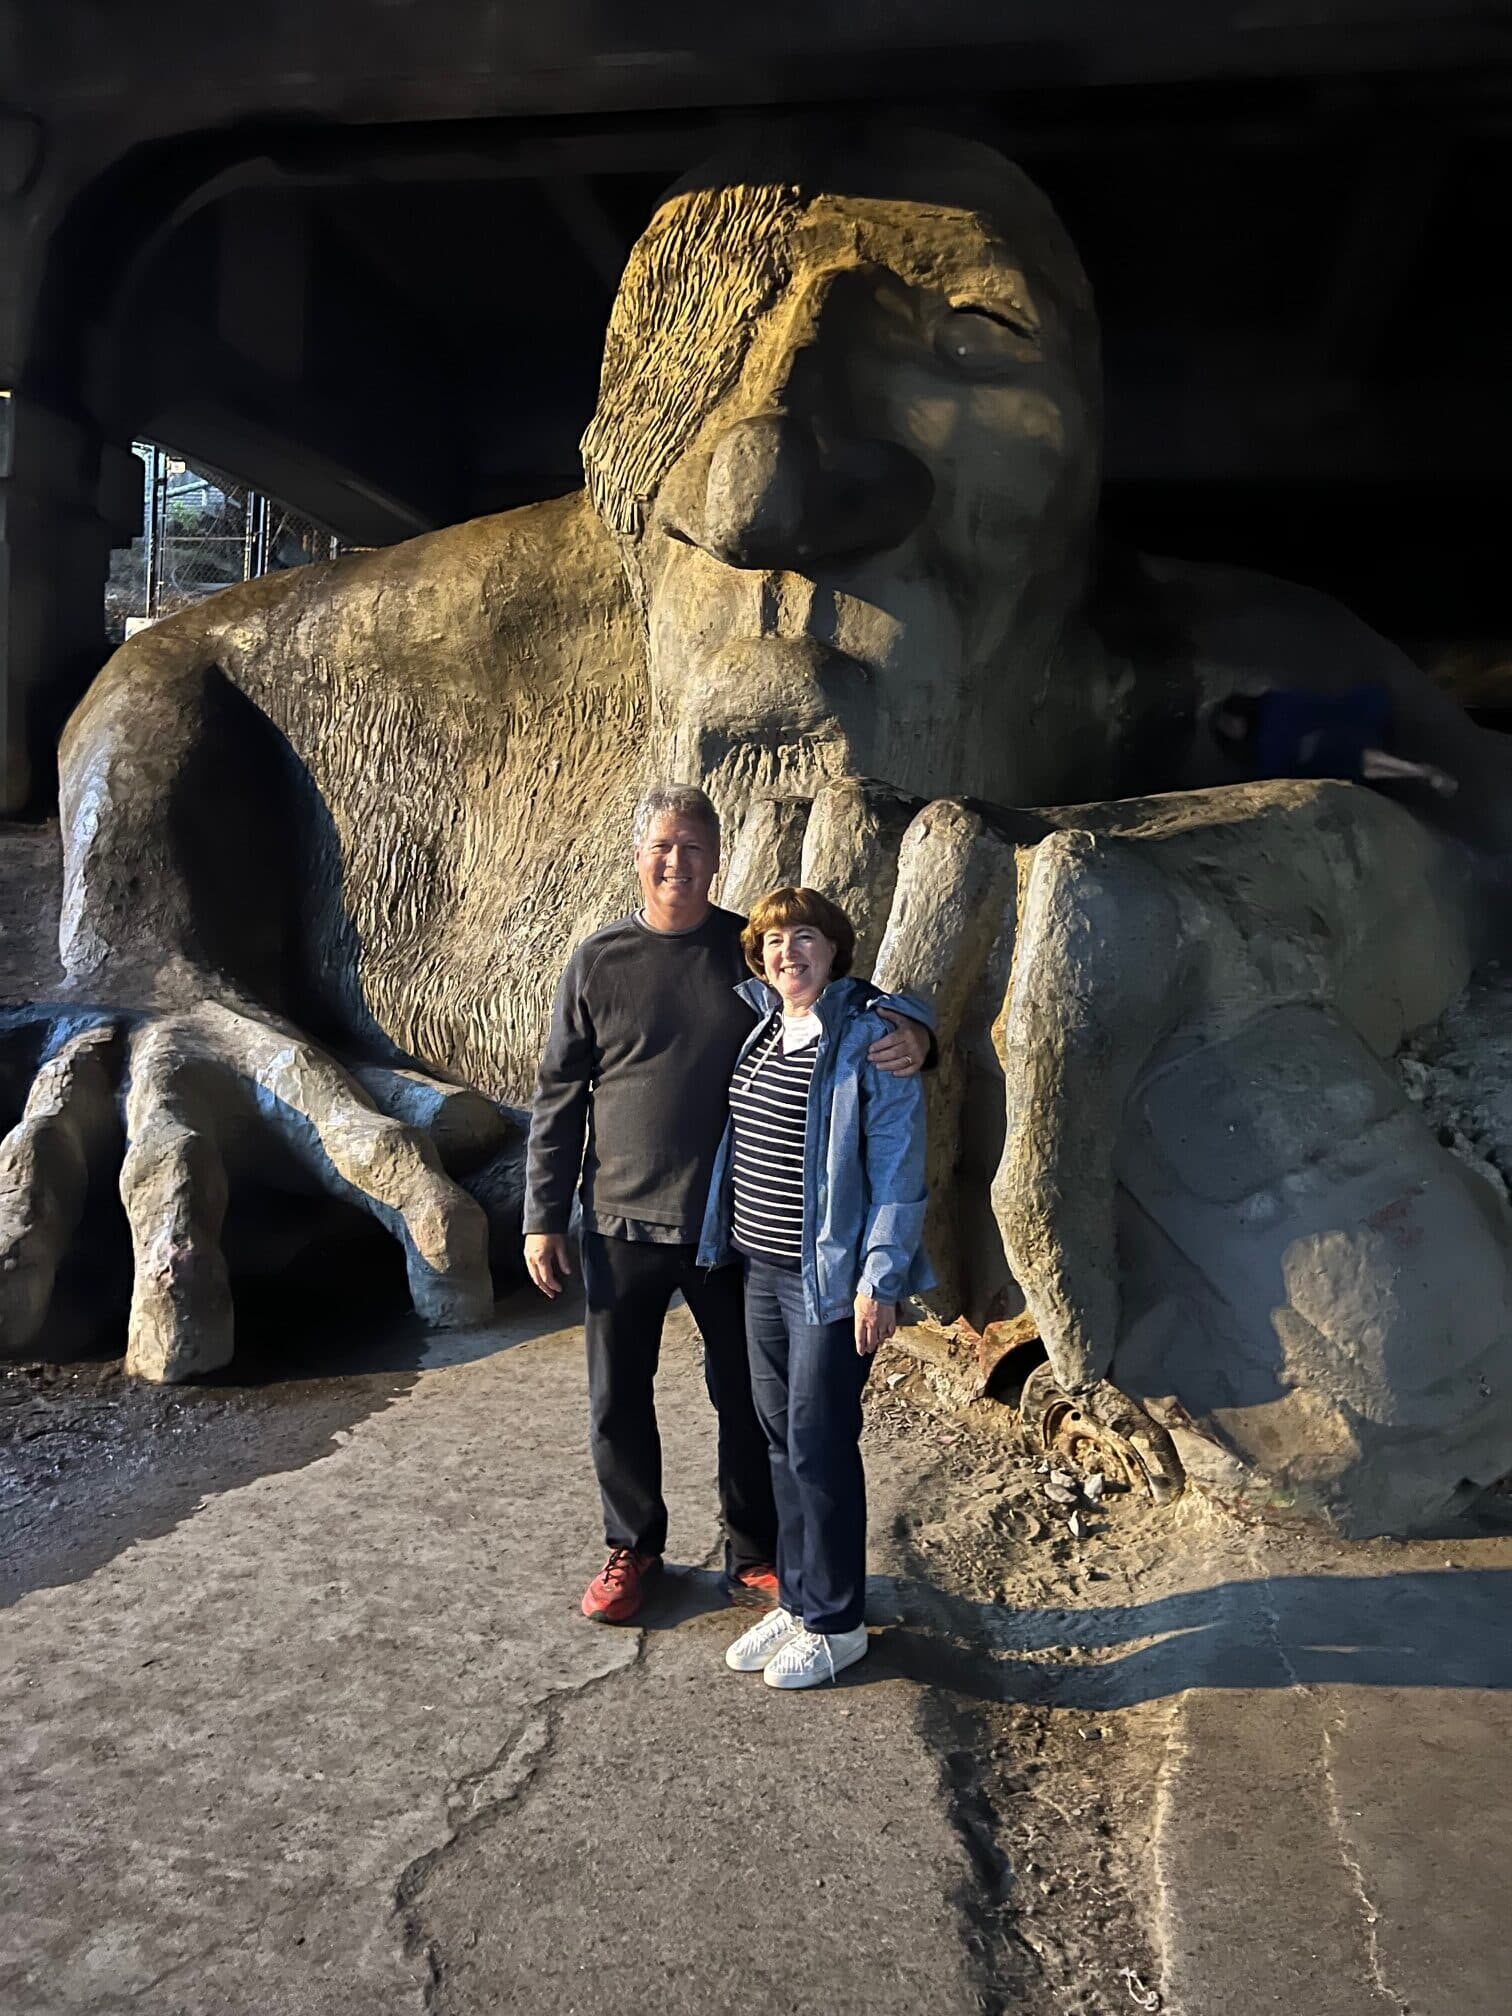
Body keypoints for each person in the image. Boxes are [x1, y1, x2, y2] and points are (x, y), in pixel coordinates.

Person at [523, 786, 933, 1625]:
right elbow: (559, 1092)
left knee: (747, 1397)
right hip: (617, 1221)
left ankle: (755, 1552)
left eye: (694, 846)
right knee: (617, 1398)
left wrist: (920, 1032)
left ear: (716, 859)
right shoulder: (598, 959)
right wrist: (541, 1214)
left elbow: (850, 999)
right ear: (639, 856)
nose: (676, 862)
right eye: (662, 846)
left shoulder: (749, 952)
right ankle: (632, 1546)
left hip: (726, 1230)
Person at [697, 885, 934, 1690]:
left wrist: (881, 1279)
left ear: (834, 951)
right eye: (771, 943)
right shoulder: (765, 1028)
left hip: (827, 1281)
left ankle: (837, 1624)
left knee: (821, 1439)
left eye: (804, 939)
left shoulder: (871, 1038)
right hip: (759, 1269)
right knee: (777, 1437)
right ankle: (799, 1600)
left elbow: (900, 1174)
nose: (786, 953)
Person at [1211, 686, 1458, 797]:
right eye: (1227, 729)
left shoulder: (1271, 705)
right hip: (1324, 761)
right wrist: (1304, 753)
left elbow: (1308, 705)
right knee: (1351, 755)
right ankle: (1420, 773)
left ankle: (1421, 771)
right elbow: (1283, 778)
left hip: (1333, 725)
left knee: (1352, 742)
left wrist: (1312, 733)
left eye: (1230, 721)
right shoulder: (1260, 757)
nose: (1233, 728)